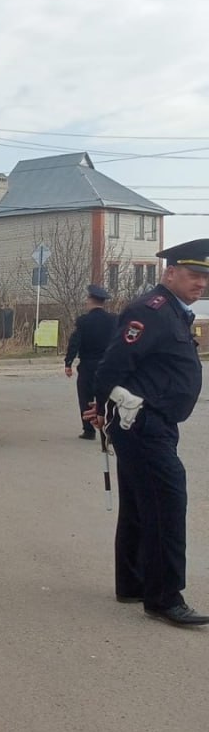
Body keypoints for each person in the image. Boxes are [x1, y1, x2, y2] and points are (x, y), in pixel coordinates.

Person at [84, 240, 209, 626]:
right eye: (194, 275)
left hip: (153, 422)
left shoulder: (175, 312)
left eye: (206, 278)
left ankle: (133, 583)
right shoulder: (151, 311)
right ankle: (164, 597)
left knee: (140, 504)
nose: (201, 284)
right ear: (170, 273)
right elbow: (113, 364)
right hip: (141, 422)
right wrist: (102, 406)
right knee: (167, 503)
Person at [65, 284, 116, 438]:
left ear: (91, 300)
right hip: (109, 366)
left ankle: (89, 430)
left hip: (88, 366)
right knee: (111, 398)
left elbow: (75, 342)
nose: (86, 302)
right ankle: (111, 430)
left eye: (87, 299)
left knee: (86, 397)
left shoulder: (83, 321)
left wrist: (68, 363)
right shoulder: (114, 320)